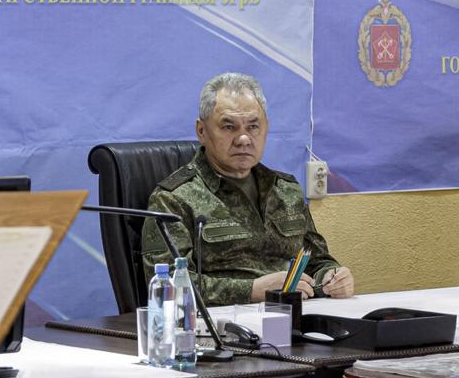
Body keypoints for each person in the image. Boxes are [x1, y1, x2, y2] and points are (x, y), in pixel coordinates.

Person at [141, 72, 354, 307]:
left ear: (265, 129)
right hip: (225, 330)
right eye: (229, 127)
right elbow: (168, 287)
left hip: (297, 321)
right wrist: (252, 290)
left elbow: (317, 261)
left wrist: (332, 276)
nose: (243, 138)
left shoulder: (285, 190)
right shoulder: (173, 199)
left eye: (253, 126)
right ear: (201, 131)